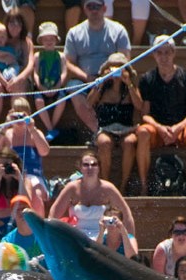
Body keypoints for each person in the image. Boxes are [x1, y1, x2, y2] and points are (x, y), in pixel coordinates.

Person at [133, 36, 186, 196]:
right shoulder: (147, 79)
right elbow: (145, 114)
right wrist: (160, 128)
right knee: (142, 132)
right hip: (157, 131)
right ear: (153, 55)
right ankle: (144, 186)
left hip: (182, 129)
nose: (163, 57)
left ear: (174, 53)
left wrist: (177, 128)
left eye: (167, 52)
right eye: (159, 53)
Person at [62, 0, 130, 138]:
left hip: (112, 77)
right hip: (85, 80)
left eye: (97, 7)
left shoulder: (118, 30)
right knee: (73, 88)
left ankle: (116, 131)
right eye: (90, 6)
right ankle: (98, 132)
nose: (94, 10)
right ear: (85, 9)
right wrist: (87, 77)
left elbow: (125, 59)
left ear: (104, 8)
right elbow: (68, 63)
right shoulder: (74, 33)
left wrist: (107, 75)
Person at [48, 151, 135, 240]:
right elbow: (53, 215)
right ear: (80, 168)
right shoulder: (71, 188)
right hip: (77, 237)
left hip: (103, 237)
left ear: (99, 168)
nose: (90, 168)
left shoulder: (108, 188)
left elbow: (127, 216)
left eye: (94, 165)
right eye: (86, 165)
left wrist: (131, 240)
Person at [86, 53, 141, 190]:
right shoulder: (102, 87)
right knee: (104, 142)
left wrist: (128, 83)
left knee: (130, 142)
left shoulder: (130, 87)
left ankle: (123, 184)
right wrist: (101, 81)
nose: (116, 71)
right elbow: (89, 103)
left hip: (126, 129)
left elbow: (139, 105)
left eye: (120, 68)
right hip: (106, 129)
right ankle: (105, 183)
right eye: (113, 68)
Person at [0, 99, 51, 206]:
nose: (19, 119)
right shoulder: (6, 135)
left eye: (22, 115)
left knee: (36, 194)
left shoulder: (34, 133)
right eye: (17, 115)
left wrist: (32, 129)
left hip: (32, 176)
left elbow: (44, 151)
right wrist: (5, 126)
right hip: (9, 176)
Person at [31, 22, 68, 142]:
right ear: (41, 41)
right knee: (39, 101)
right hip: (42, 86)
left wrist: (57, 86)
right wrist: (40, 87)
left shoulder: (61, 56)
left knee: (62, 100)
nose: (49, 41)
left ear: (56, 40)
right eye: (46, 39)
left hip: (57, 85)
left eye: (51, 39)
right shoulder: (38, 56)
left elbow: (64, 73)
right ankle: (50, 128)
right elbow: (35, 73)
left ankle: (53, 125)